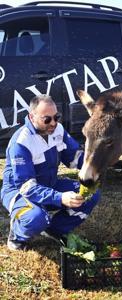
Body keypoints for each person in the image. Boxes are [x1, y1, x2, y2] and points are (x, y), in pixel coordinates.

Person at [1, 95, 100, 251]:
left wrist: (94, 166)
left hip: (50, 183)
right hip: (19, 191)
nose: (53, 123)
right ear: (32, 117)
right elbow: (26, 187)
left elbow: (73, 157)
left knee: (91, 195)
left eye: (56, 117)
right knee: (37, 218)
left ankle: (54, 230)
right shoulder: (21, 143)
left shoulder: (57, 129)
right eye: (47, 119)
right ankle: (17, 236)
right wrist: (60, 197)